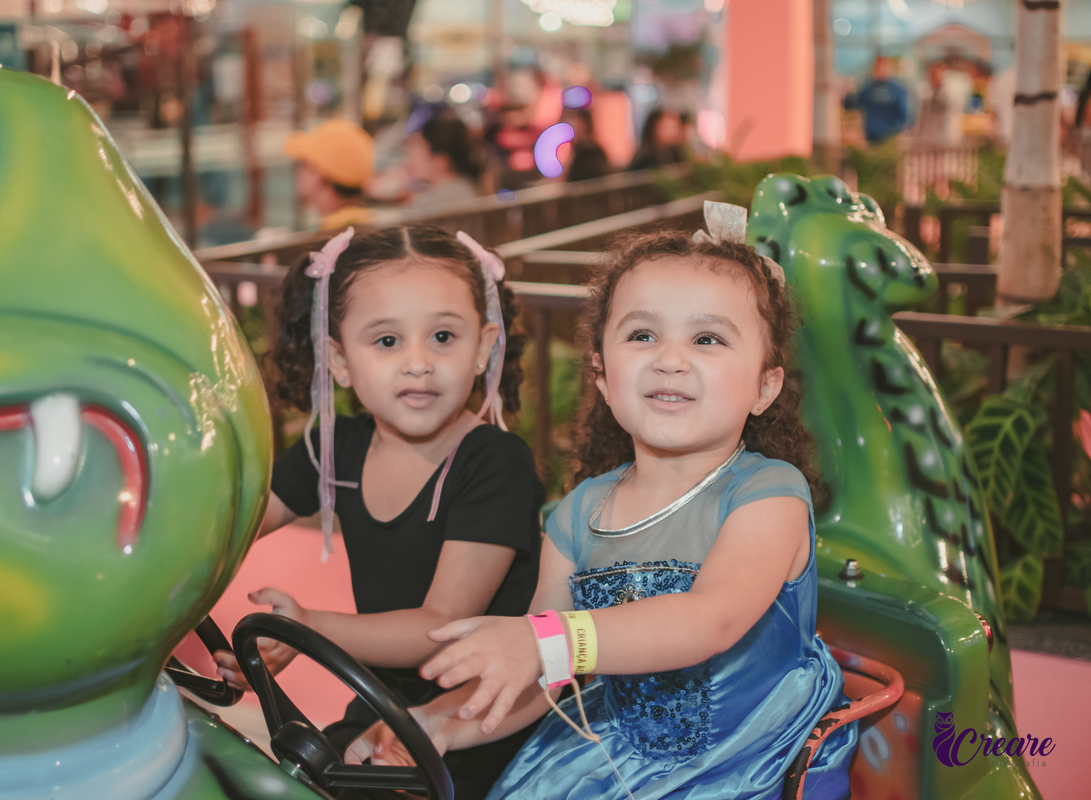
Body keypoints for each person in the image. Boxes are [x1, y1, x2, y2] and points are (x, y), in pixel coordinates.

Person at [346, 208, 859, 799]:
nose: (670, 358)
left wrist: (552, 640)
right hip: (622, 758)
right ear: (602, 376)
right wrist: (437, 723)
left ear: (765, 386)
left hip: (746, 760)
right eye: (643, 335)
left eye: (707, 339)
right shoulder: (579, 514)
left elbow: (709, 619)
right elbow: (542, 675)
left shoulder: (768, 493)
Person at [212, 224, 547, 800]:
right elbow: (225, 529)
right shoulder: (335, 446)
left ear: (484, 347)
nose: (418, 363)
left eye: (443, 336)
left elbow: (439, 625)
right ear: (340, 360)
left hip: (479, 720)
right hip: (381, 703)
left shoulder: (494, 462)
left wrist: (309, 628)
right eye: (387, 342)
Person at [285, 118, 376, 230]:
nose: (298, 173)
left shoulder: (330, 241)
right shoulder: (367, 227)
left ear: (318, 173)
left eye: (302, 164)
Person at [405, 112, 482, 210]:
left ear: (440, 161)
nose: (411, 154)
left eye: (419, 146)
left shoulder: (429, 205)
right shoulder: (467, 187)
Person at [844, 56, 911, 144]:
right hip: (872, 135)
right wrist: (849, 96)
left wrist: (898, 129)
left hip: (891, 135)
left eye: (882, 68)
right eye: (878, 68)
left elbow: (903, 114)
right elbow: (852, 104)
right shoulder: (867, 88)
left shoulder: (896, 89)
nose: (880, 71)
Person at [560, 107, 610, 183]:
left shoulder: (591, 151)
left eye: (574, 118)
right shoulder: (576, 149)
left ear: (585, 122)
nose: (571, 123)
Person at [627, 107, 684, 171]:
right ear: (654, 128)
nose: (673, 133)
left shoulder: (679, 155)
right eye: (668, 128)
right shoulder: (646, 158)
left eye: (675, 127)